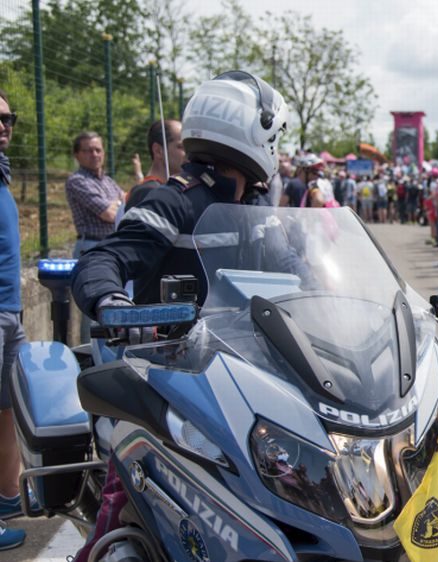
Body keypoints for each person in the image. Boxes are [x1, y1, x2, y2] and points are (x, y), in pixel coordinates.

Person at [70, 71, 289, 560]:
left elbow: (300, 273)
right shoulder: (172, 200)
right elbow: (105, 259)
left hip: (253, 378)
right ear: (257, 134)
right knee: (130, 484)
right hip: (176, 380)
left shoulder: (256, 208)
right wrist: (113, 302)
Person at [0, 89, 27, 552]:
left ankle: (8, 497)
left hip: (11, 309)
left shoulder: (2, 175)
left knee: (9, 410)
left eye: (9, 118)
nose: (4, 125)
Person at [65, 132, 126, 258]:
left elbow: (128, 203)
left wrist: (117, 204)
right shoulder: (77, 181)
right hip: (92, 247)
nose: (94, 154)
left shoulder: (108, 181)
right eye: (87, 151)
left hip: (113, 244)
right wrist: (120, 203)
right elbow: (110, 215)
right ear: (76, 155)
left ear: (103, 153)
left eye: (98, 150)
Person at [126, 119, 186, 211]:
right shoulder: (147, 193)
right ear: (158, 151)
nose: (188, 153)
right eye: (181, 147)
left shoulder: (172, 189)